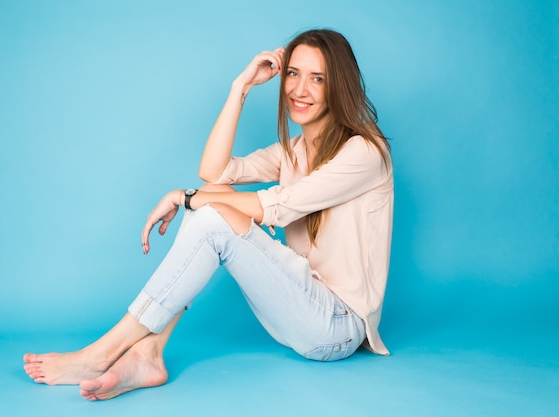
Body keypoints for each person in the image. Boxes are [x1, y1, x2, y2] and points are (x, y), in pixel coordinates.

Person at [23, 28, 393, 401]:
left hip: (336, 327)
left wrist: (184, 198)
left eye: (318, 79)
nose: (300, 89)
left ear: (340, 86)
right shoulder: (294, 151)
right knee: (215, 196)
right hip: (300, 306)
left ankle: (103, 352)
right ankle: (148, 353)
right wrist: (241, 87)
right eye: (293, 74)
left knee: (211, 208)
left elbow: (275, 208)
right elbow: (214, 172)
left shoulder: (365, 151)